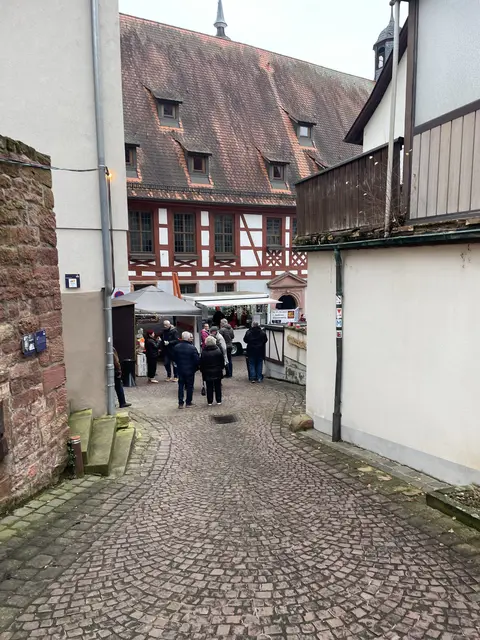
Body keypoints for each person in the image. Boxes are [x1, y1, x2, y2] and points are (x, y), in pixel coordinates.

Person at [173, 332, 200, 408]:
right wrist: (196, 367)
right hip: (190, 370)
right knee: (189, 386)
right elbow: (197, 360)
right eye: (191, 337)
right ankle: (188, 402)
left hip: (180, 369)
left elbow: (174, 358)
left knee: (181, 386)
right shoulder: (192, 348)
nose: (192, 338)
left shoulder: (176, 347)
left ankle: (180, 403)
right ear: (188, 339)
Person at [200, 336, 225, 406]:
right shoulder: (218, 351)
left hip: (207, 371)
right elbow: (222, 361)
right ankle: (218, 400)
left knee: (209, 387)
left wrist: (202, 370)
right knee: (218, 386)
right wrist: (221, 368)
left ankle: (210, 401)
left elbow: (202, 363)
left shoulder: (204, 352)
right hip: (217, 371)